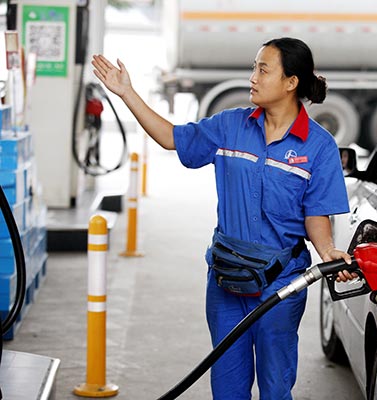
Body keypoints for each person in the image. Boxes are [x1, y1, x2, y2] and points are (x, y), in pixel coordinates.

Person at [92, 37, 355, 400]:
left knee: (276, 387)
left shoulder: (318, 146)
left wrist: (328, 251)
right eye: (254, 67)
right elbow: (171, 138)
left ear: (291, 82)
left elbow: (316, 215)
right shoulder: (231, 126)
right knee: (228, 388)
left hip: (281, 285)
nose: (253, 77)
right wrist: (127, 93)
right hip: (226, 280)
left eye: (263, 69)